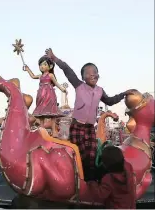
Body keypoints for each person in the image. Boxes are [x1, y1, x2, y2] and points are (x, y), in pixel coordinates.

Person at [45, 48, 134, 181]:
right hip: (77, 127)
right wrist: (54, 58)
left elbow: (110, 100)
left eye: (96, 73)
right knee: (80, 155)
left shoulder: (99, 91)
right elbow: (67, 69)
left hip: (90, 128)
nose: (93, 75)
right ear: (82, 77)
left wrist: (124, 94)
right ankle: (79, 180)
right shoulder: (79, 85)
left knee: (91, 157)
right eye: (89, 73)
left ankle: (91, 181)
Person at [23, 55, 66, 137]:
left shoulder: (50, 75)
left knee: (52, 113)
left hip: (50, 95)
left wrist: (62, 89)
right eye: (41, 65)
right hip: (41, 95)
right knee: (41, 113)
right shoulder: (40, 76)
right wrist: (28, 69)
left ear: (50, 66)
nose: (42, 66)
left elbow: (56, 84)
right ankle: (42, 130)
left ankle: (54, 131)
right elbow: (33, 76)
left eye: (44, 64)